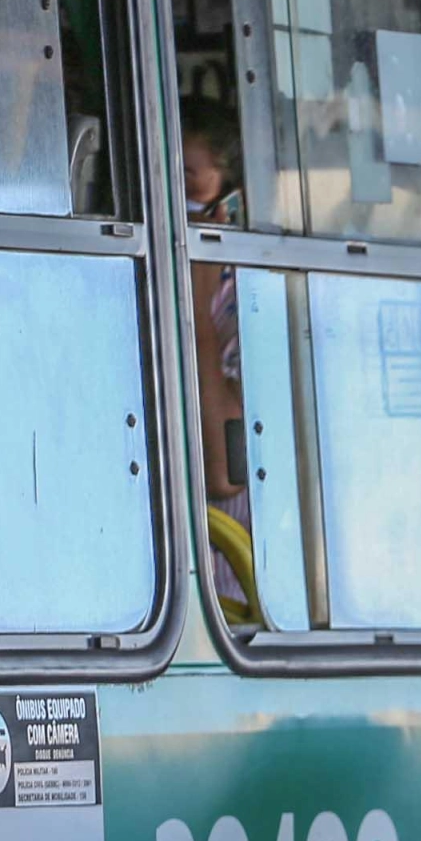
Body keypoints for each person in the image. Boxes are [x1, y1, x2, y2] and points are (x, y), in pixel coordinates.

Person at [182, 98, 252, 612]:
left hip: (232, 594)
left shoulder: (241, 293)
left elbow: (225, 472)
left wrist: (198, 301)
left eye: (188, 182)